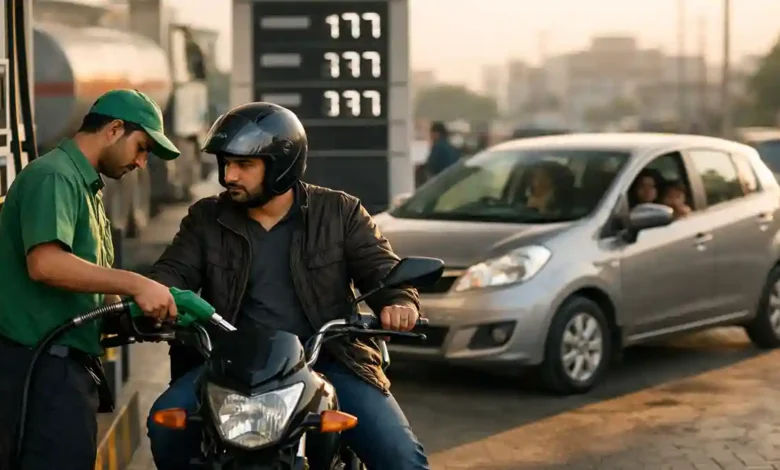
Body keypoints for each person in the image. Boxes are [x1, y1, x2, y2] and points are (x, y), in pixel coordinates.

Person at [145, 102, 429, 470]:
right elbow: (173, 271)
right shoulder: (206, 219)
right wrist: (154, 295)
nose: (229, 176)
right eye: (226, 163)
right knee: (164, 425)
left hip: (329, 361)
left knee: (402, 458)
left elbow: (382, 269)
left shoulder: (339, 212)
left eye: (244, 165)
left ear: (281, 165)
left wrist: (399, 301)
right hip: (231, 367)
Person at [0, 89, 181, 470]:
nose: (142, 163)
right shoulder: (54, 177)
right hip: (38, 368)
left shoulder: (85, 186)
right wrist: (136, 284)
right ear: (114, 129)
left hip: (63, 366)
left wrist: (133, 312)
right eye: (142, 148)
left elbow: (88, 282)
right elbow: (46, 264)